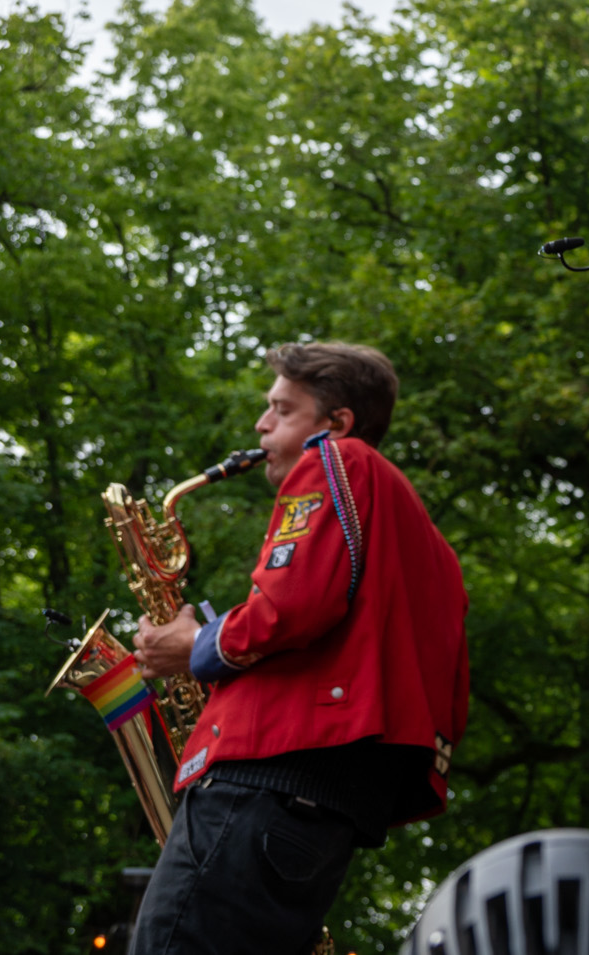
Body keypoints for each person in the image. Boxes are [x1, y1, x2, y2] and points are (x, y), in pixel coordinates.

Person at [130, 341, 470, 955]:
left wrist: (194, 646)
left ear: (336, 422)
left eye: (282, 409)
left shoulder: (334, 459)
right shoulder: (433, 548)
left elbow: (292, 605)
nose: (261, 424)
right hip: (327, 805)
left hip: (266, 783)